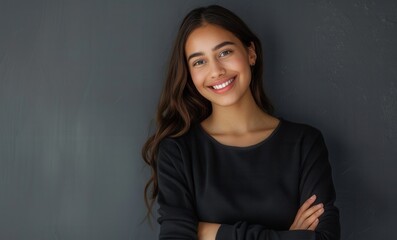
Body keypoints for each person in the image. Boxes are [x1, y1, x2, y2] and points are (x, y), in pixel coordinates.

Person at [142, 5, 340, 240]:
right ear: (190, 75)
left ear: (251, 53)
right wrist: (286, 236)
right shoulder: (178, 151)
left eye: (224, 53)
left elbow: (326, 238)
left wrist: (207, 232)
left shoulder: (305, 143)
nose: (216, 71)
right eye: (199, 62)